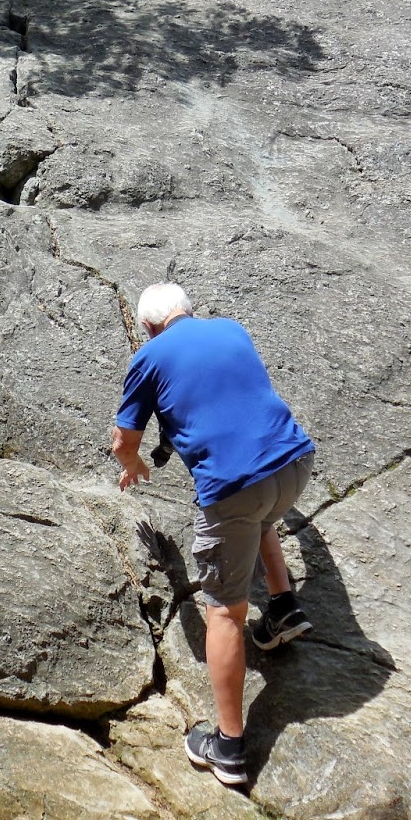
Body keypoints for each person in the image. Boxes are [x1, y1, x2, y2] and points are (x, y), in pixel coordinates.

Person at [111, 282, 315, 787]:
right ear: (188, 312)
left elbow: (123, 440)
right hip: (295, 463)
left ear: (148, 327)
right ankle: (285, 608)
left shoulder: (149, 356)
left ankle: (227, 747)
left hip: (234, 488)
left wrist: (134, 464)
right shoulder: (229, 329)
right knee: (261, 516)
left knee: (224, 611)